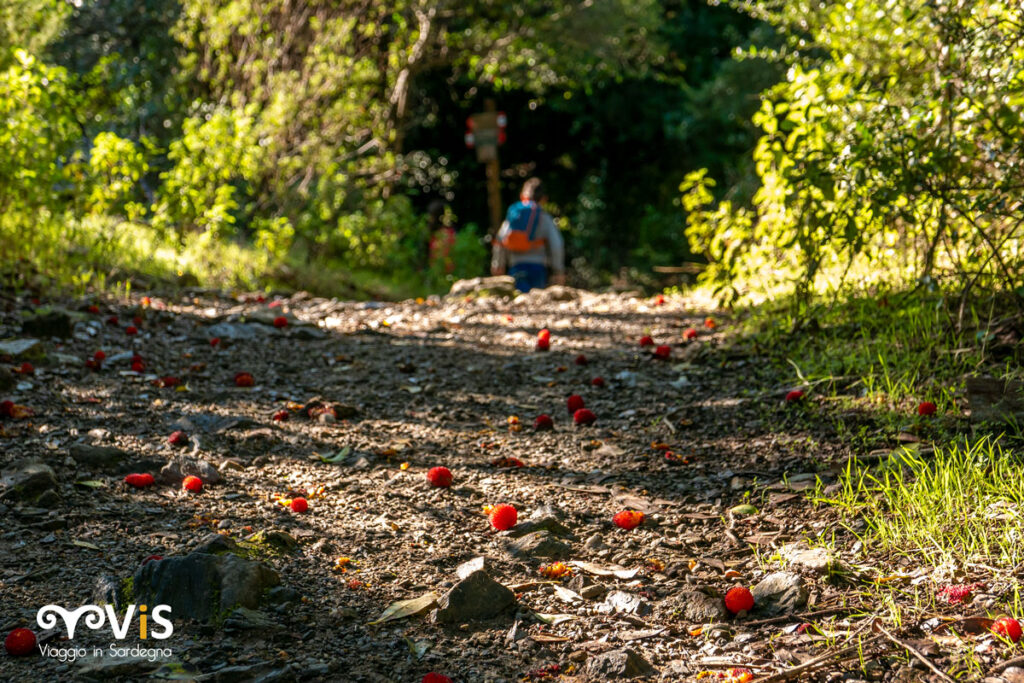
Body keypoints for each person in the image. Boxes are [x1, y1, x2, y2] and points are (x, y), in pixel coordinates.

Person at [490, 178, 565, 292]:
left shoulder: (514, 216)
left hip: (516, 266)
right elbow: (556, 245)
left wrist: (498, 264)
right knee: (536, 303)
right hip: (538, 268)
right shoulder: (544, 218)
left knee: (520, 301)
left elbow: (500, 240)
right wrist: (558, 271)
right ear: (544, 199)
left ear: (522, 196)